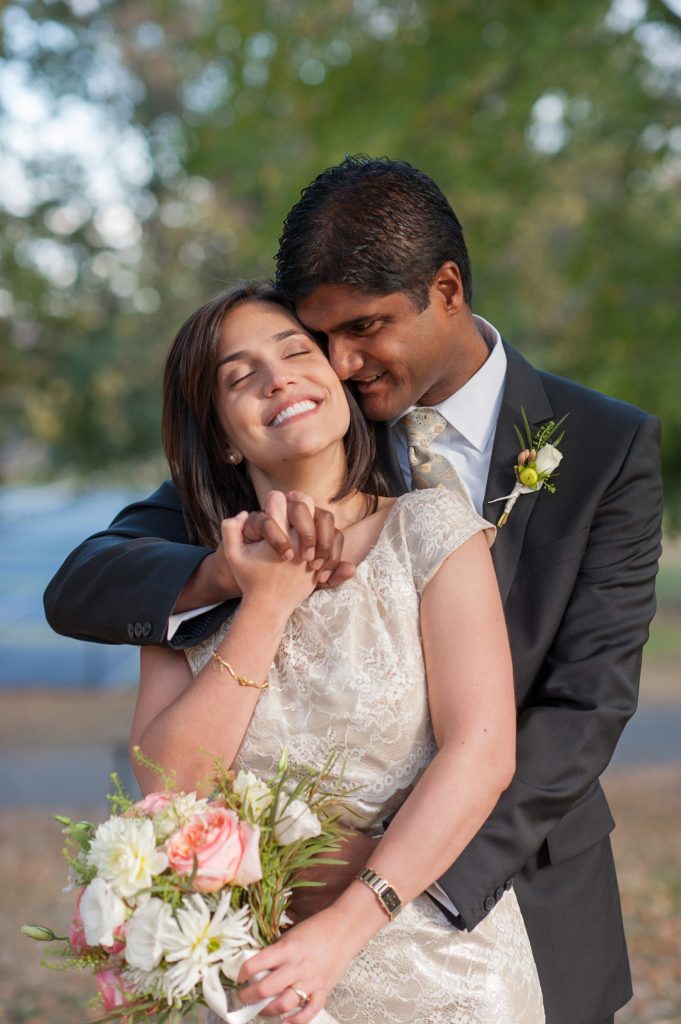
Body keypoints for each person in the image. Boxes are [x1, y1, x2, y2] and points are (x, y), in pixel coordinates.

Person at [44, 157, 663, 1024]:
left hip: (497, 897)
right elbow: (91, 583)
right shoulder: (279, 449)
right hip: (262, 936)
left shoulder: (605, 446)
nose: (337, 363)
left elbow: (584, 704)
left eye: (359, 330)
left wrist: (373, 883)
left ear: (445, 289)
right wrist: (236, 580)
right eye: (316, 335)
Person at [130, 281, 545, 1023]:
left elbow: (481, 752)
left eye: (295, 351)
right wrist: (266, 599)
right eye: (238, 374)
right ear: (222, 432)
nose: (277, 376)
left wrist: (346, 926)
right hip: (253, 976)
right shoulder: (184, 578)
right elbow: (171, 790)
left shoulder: (428, 530)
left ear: (336, 382)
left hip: (431, 962)